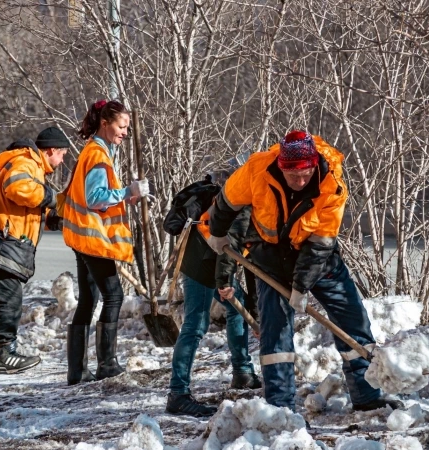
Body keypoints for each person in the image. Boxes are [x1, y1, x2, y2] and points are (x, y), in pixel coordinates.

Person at [206, 130, 404, 412]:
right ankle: (280, 407)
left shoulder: (332, 186)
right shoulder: (256, 170)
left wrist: (300, 288)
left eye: (306, 174)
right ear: (281, 167)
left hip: (319, 261)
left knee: (352, 320)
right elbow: (226, 202)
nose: (300, 181)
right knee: (275, 333)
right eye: (293, 175)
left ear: (314, 165)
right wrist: (218, 233)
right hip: (271, 261)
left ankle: (367, 395)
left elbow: (319, 247)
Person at [0, 126, 70, 374]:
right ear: (51, 150)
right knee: (9, 301)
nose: (63, 159)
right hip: (2, 242)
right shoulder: (26, 162)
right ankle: (5, 354)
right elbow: (18, 189)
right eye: (62, 154)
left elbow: (23, 201)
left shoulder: (26, 164)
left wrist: (50, 216)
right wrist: (53, 199)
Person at [62, 99, 149, 385]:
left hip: (83, 236)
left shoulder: (97, 151)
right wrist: (127, 191)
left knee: (89, 299)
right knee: (113, 295)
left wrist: (129, 195)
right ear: (105, 123)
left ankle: (77, 370)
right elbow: (96, 198)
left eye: (126, 127)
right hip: (92, 237)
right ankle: (107, 364)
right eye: (121, 126)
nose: (125, 132)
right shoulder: (98, 154)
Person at [164, 173, 262, 418]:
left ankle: (242, 372)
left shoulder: (258, 209)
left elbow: (251, 264)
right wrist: (224, 283)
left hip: (219, 261)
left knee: (237, 309)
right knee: (196, 324)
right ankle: (178, 393)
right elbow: (229, 248)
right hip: (201, 263)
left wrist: (255, 311)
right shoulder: (242, 206)